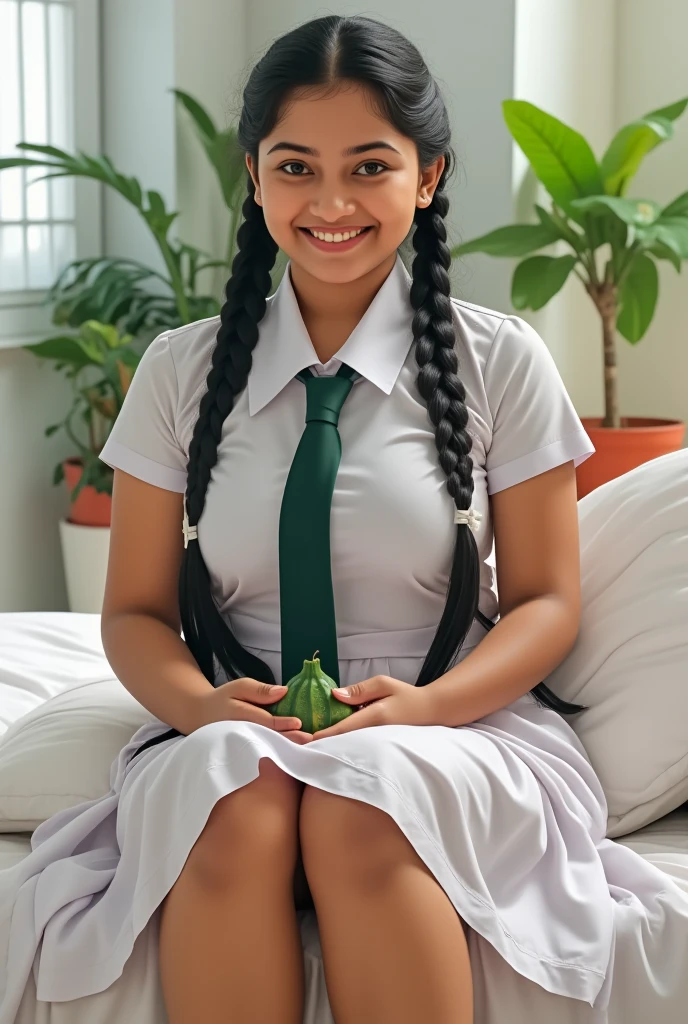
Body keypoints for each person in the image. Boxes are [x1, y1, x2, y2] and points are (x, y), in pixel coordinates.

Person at [4, 13, 674, 1024]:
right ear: (254, 177)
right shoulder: (181, 373)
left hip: (455, 720)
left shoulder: (499, 361)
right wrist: (200, 709)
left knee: (361, 804)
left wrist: (421, 710)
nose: (329, 202)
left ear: (428, 175)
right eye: (294, 166)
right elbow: (135, 613)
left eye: (369, 166)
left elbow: (544, 603)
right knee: (236, 804)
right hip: (231, 726)